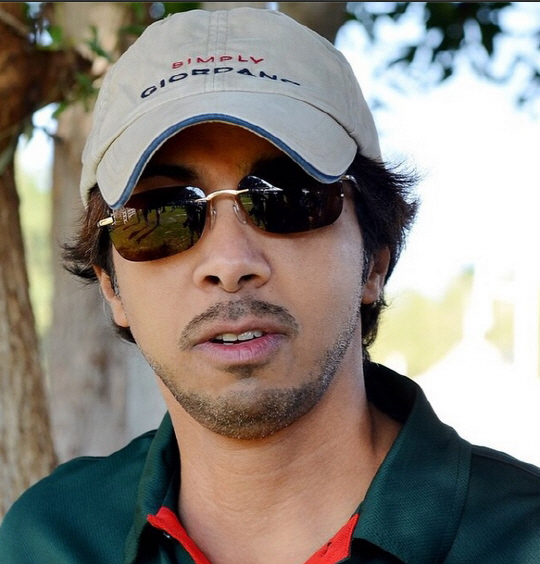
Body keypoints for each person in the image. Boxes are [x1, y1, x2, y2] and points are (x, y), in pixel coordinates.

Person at [1, 7, 539, 564]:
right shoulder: (48, 540)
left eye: (286, 199)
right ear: (111, 287)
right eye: (161, 213)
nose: (230, 262)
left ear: (374, 263)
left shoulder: (523, 539)